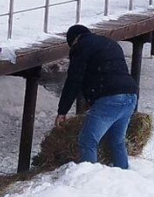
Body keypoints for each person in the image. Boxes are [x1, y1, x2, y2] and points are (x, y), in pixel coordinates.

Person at [55, 25, 138, 169]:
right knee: (117, 141)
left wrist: (62, 111)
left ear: (73, 41)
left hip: (111, 98)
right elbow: (104, 72)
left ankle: (90, 182)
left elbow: (74, 80)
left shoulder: (81, 46)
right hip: (131, 95)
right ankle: (124, 177)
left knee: (87, 140)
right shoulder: (110, 43)